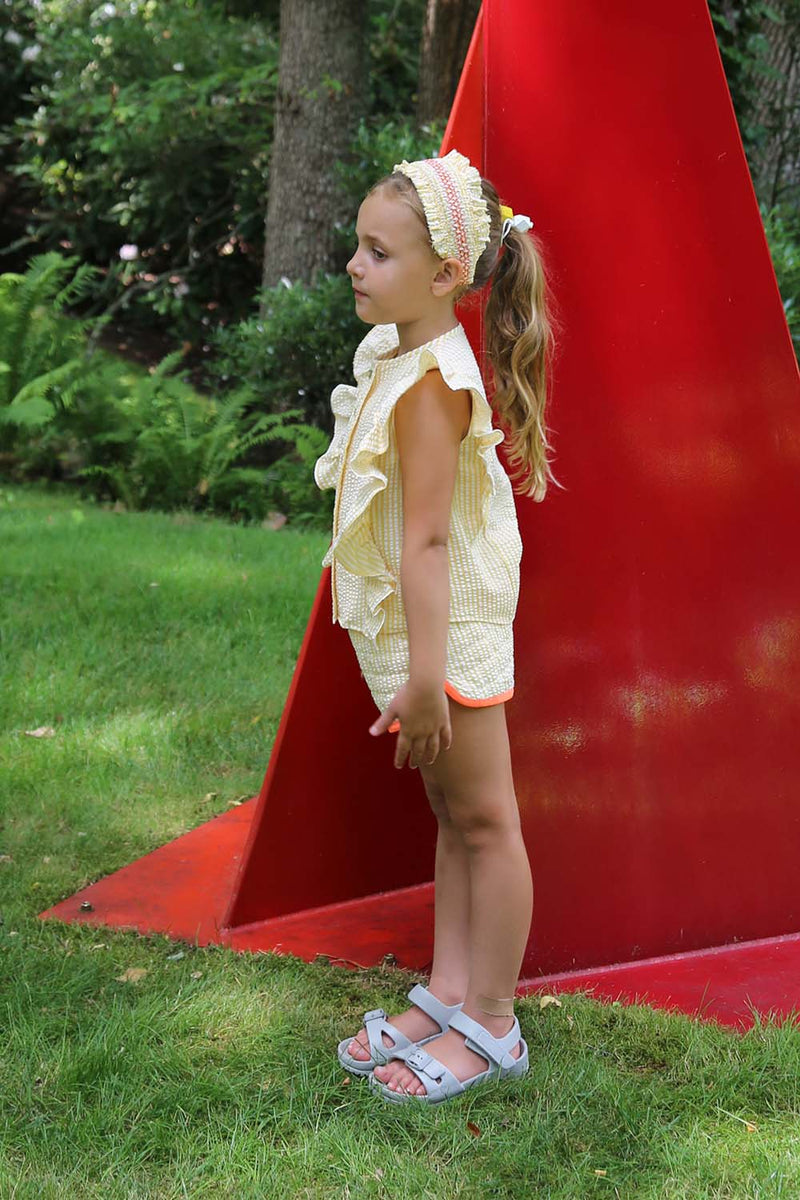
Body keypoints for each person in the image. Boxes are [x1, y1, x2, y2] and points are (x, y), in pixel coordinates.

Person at [313, 148, 560, 1105]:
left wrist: (426, 680)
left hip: (446, 634)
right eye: (359, 245)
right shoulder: (400, 353)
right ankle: (451, 992)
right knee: (455, 815)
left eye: (378, 252)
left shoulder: (430, 384)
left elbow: (425, 541)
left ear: (446, 274)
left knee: (487, 821)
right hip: (426, 633)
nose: (354, 264)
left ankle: (493, 1021)